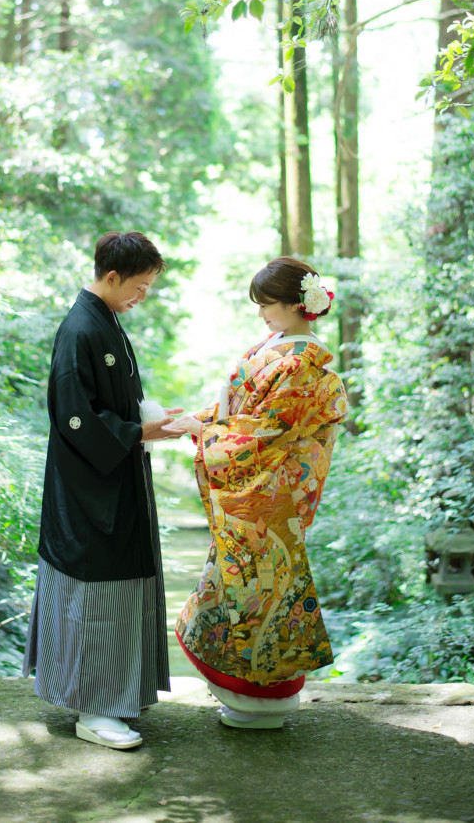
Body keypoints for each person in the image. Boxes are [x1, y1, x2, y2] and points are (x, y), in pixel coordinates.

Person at [23, 231, 185, 751]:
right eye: (139, 287)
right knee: (95, 593)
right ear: (111, 278)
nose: (143, 297)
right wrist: (140, 431)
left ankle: (115, 697)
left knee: (119, 591)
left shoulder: (106, 320)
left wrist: (149, 420)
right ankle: (93, 710)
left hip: (114, 480)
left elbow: (110, 401)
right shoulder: (80, 329)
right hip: (88, 491)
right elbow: (74, 418)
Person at [175, 256, 348, 729]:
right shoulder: (278, 347)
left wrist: (207, 433)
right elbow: (242, 411)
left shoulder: (302, 363)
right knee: (240, 588)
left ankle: (264, 699)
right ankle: (252, 697)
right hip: (255, 491)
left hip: (270, 494)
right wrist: (205, 420)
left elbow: (266, 433)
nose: (261, 313)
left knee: (262, 592)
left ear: (297, 305)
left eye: (268, 304)